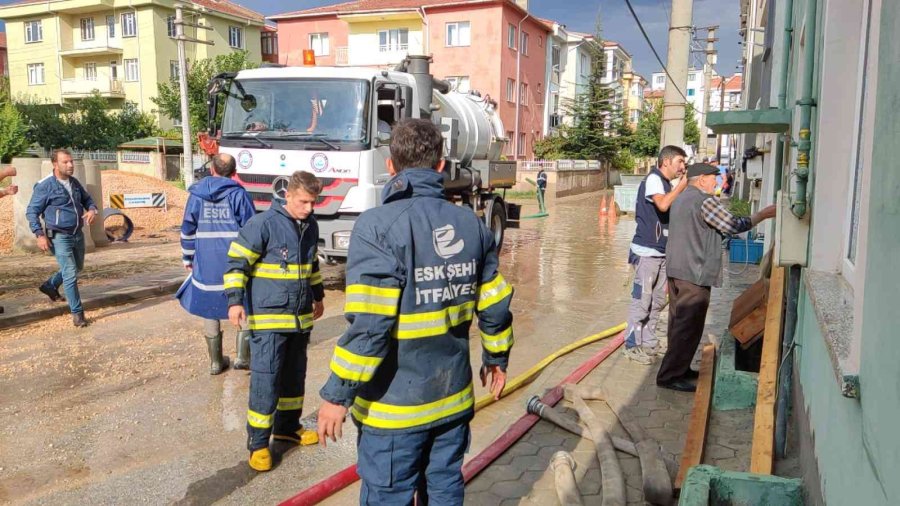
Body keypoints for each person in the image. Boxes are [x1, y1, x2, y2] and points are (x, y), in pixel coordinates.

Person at [316, 118, 514, 504]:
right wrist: (497, 357)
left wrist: (336, 395)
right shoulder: (471, 225)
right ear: (441, 166)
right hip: (452, 401)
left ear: (390, 166)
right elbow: (494, 305)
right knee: (443, 490)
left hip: (394, 414)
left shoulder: (375, 227)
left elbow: (370, 326)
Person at [224, 170, 325, 472]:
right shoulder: (262, 225)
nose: (309, 208)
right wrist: (234, 302)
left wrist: (318, 296)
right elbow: (236, 263)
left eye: (313, 202)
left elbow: (312, 265)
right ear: (288, 195)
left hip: (299, 318)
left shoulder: (310, 225)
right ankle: (257, 444)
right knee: (266, 380)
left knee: (294, 377)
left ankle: (287, 428)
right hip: (269, 318)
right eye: (304, 202)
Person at [656, 163, 776, 392]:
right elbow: (732, 225)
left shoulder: (681, 198)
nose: (718, 183)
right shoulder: (705, 201)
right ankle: (669, 376)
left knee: (678, 324)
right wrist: (762, 215)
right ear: (701, 179)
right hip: (694, 273)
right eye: (714, 178)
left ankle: (680, 369)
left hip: (677, 270)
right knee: (688, 326)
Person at [176, 154, 256, 375]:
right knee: (242, 300)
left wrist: (187, 258)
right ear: (234, 172)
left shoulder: (196, 195)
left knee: (209, 305)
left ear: (212, 169)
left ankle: (215, 362)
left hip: (206, 260)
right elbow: (251, 230)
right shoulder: (239, 194)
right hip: (234, 259)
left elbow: (187, 229)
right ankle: (243, 357)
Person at [623, 146, 688, 366]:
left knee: (658, 301)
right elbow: (662, 203)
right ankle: (632, 345)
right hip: (646, 252)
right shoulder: (654, 179)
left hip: (661, 252)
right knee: (642, 301)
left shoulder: (666, 183)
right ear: (667, 161)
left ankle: (649, 342)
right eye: (680, 161)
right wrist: (682, 186)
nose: (682, 166)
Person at [26, 149, 98, 328]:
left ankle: (50, 285)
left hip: (77, 234)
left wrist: (91, 210)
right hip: (58, 236)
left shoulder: (74, 183)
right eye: (66, 162)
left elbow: (88, 200)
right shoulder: (45, 186)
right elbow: (32, 212)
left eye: (71, 161)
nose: (71, 165)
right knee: (70, 273)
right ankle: (77, 314)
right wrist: (39, 234)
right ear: (55, 164)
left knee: (77, 267)